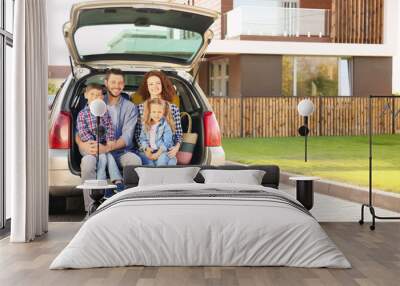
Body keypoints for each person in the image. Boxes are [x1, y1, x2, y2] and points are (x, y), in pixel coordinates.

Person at [76, 69, 142, 210]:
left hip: (120, 151)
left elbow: (127, 137)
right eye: (113, 82)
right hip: (94, 150)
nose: (116, 85)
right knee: (87, 163)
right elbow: (79, 131)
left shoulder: (130, 107)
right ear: (106, 83)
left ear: (124, 85)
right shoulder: (96, 99)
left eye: (120, 82)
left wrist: (107, 148)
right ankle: (91, 210)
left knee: (134, 161)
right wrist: (83, 145)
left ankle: (128, 207)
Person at [76, 83, 124, 198]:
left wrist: (110, 140)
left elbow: (109, 127)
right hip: (89, 145)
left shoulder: (104, 112)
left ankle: (116, 183)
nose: (95, 97)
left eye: (98, 95)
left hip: (102, 145)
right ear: (86, 95)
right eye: (92, 94)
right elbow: (82, 131)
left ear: (102, 97)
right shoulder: (83, 114)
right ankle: (110, 183)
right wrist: (93, 144)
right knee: (105, 156)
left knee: (107, 156)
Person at [134, 70, 183, 165]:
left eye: (158, 83)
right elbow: (137, 135)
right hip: (147, 150)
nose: (154, 86)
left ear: (162, 85)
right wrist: (146, 150)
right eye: (151, 84)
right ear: (147, 87)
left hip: (166, 150)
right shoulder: (139, 108)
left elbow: (178, 134)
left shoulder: (173, 108)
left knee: (168, 162)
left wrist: (176, 148)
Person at [139, 98, 177, 166]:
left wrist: (158, 153)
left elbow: (167, 142)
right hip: (151, 150)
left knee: (161, 162)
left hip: (162, 151)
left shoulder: (165, 125)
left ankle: (169, 161)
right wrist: (146, 149)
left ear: (163, 112)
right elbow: (142, 139)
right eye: (154, 112)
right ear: (149, 112)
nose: (156, 115)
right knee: (148, 163)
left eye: (159, 112)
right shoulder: (146, 125)